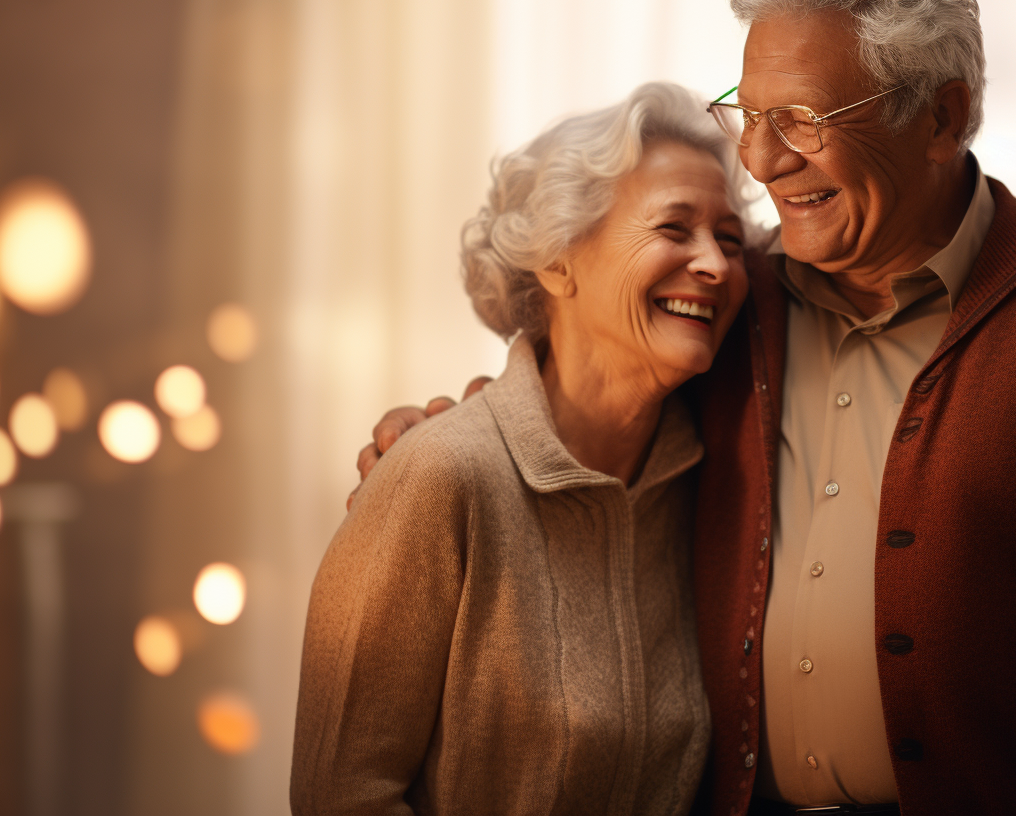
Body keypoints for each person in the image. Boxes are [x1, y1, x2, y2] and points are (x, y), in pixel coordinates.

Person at [356, 0, 1016, 816]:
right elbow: (579, 404)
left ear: (943, 117)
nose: (763, 162)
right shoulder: (732, 305)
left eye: (805, 121)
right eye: (751, 115)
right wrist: (436, 436)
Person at [291, 82, 750, 815]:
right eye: (674, 229)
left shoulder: (707, 484)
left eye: (730, 241)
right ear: (558, 260)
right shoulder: (437, 474)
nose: (718, 267)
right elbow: (342, 797)